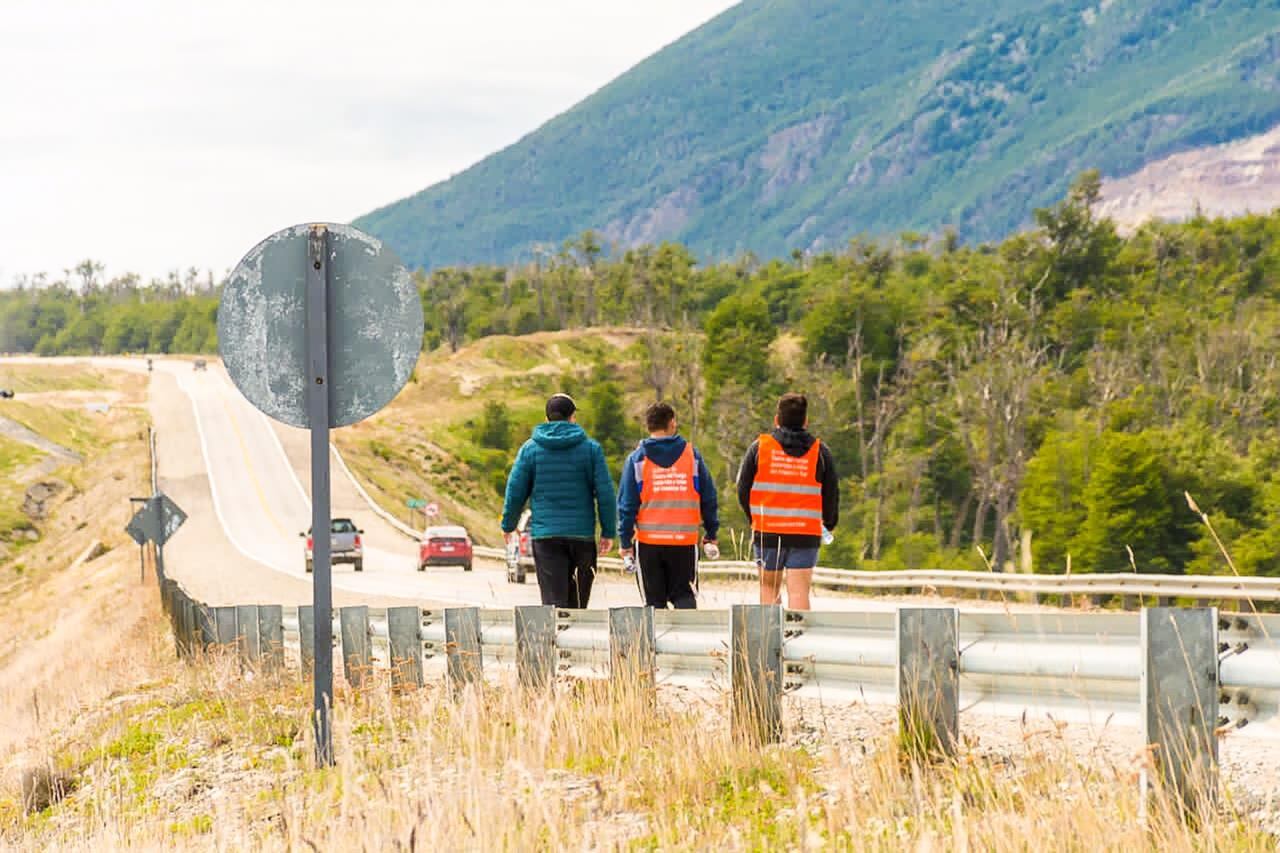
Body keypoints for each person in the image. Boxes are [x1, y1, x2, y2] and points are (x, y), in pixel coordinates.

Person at [501, 393, 617, 608]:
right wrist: (608, 532)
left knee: (554, 604)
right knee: (578, 605)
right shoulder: (591, 450)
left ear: (547, 419)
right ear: (572, 417)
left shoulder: (530, 450)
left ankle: (557, 639)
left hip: (546, 538)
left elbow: (515, 491)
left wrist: (508, 525)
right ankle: (576, 639)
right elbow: (606, 495)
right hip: (582, 537)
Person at [737, 392, 839, 610]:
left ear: (776, 420)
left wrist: (753, 518)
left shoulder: (759, 448)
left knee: (768, 589)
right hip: (805, 533)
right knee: (799, 591)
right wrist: (828, 524)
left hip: (768, 532)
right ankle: (799, 640)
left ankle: (769, 641)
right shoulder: (820, 452)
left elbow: (742, 489)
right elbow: (831, 495)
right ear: (805, 421)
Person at [617, 402, 719, 609]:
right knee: (685, 598)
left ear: (648, 426)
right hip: (684, 542)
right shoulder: (692, 457)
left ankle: (654, 642)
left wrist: (625, 541)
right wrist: (711, 532)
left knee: (653, 605)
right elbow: (709, 498)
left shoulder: (637, 460)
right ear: (672, 423)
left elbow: (627, 506)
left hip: (648, 544)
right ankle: (686, 641)